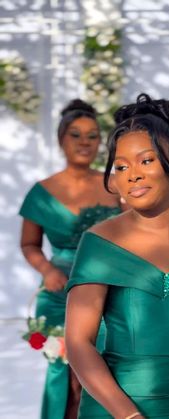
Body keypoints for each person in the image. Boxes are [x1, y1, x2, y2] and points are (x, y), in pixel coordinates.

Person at [65, 93, 169, 419]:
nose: (133, 175)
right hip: (113, 411)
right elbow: (78, 343)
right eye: (121, 166)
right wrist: (129, 417)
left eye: (146, 160)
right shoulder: (99, 242)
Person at [19, 98, 122, 419]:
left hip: (107, 288)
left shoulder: (114, 185)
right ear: (61, 139)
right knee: (66, 375)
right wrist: (47, 270)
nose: (84, 143)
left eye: (92, 136)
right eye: (76, 135)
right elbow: (29, 244)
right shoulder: (42, 191)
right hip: (58, 292)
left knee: (100, 373)